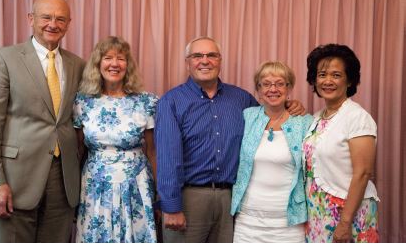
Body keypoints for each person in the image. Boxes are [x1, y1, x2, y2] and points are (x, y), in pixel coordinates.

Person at [155, 36, 305, 243]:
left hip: (231, 199)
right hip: (189, 198)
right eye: (197, 55)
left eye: (212, 55)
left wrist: (290, 106)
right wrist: (171, 206)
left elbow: (270, 114)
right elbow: (167, 157)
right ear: (187, 62)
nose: (205, 60)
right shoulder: (171, 101)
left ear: (220, 60)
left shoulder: (242, 99)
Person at [0, 0, 85, 242]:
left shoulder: (78, 65)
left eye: (60, 19)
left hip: (63, 179)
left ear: (68, 24)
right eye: (46, 17)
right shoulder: (4, 59)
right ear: (31, 19)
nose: (52, 24)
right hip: (14, 179)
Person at [73, 36, 158, 243]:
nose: (114, 64)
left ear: (127, 65)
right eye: (108, 58)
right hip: (95, 184)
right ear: (97, 64)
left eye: (120, 59)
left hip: (136, 184)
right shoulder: (82, 102)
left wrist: (159, 193)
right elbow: (77, 151)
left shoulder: (146, 101)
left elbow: (152, 152)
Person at [303, 44, 379, 242]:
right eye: (322, 74)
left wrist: (345, 222)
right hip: (318, 209)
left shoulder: (358, 117)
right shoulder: (317, 118)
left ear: (349, 80)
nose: (328, 81)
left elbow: (363, 173)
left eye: (336, 75)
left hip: (348, 212)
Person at [231, 61, 313, 242]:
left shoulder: (305, 122)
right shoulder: (247, 116)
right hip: (248, 221)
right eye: (266, 84)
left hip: (289, 222)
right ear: (258, 90)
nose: (273, 89)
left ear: (289, 87)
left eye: (279, 83)